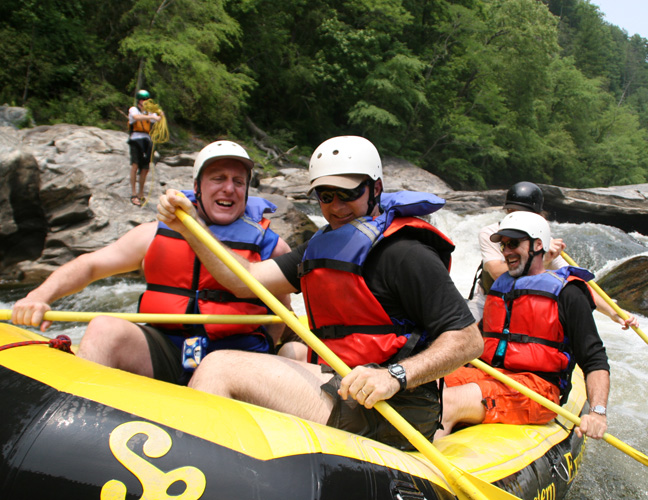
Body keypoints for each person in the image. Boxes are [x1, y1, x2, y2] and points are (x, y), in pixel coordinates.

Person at [156, 135, 484, 450]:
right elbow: (246, 279)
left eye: (347, 194)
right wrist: (191, 227)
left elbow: (469, 339)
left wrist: (395, 376)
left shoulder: (406, 254)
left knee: (218, 367)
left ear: (376, 189)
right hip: (345, 385)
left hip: (394, 405)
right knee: (289, 353)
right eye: (326, 196)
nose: (336, 207)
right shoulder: (321, 247)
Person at [12, 141, 292, 384]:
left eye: (238, 181)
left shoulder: (271, 246)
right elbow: (90, 266)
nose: (229, 188)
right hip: (166, 346)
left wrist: (265, 351)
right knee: (103, 329)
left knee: (218, 370)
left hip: (235, 354)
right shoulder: (153, 233)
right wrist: (40, 295)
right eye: (218, 178)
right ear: (197, 187)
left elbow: (281, 316)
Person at [438, 211, 610, 440]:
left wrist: (598, 413)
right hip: (491, 375)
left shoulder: (569, 293)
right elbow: (479, 340)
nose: (507, 252)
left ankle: (420, 473)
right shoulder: (501, 286)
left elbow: (595, 359)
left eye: (514, 243)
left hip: (537, 390)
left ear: (538, 245)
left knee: (448, 401)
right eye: (504, 246)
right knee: (426, 385)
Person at [468, 181, 638, 330]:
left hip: (524, 305)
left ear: (536, 216)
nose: (515, 216)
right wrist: (543, 260)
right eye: (512, 211)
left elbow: (578, 282)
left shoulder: (543, 241)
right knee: (467, 330)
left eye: (522, 212)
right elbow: (498, 274)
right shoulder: (490, 233)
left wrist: (613, 311)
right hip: (488, 299)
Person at [128, 89, 163, 206]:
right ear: (139, 101)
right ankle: (133, 194)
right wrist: (151, 117)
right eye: (142, 100)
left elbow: (157, 118)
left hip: (147, 140)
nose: (144, 102)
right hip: (136, 139)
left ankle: (140, 193)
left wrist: (159, 115)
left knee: (145, 168)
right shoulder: (134, 110)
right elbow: (136, 118)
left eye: (146, 100)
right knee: (135, 165)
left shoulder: (149, 112)